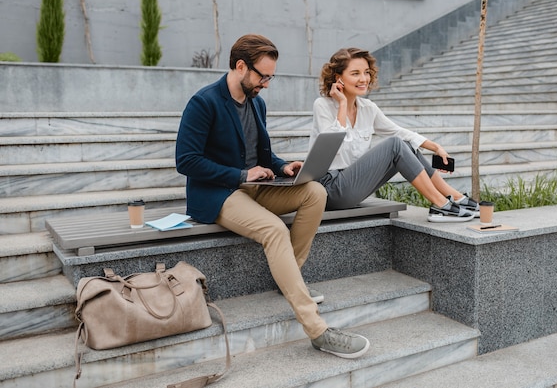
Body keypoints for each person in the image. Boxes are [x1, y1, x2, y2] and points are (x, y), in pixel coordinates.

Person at [176, 34, 370, 359]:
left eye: (270, 77)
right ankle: (318, 330)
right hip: (219, 193)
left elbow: (262, 156)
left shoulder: (257, 103)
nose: (266, 84)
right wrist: (240, 175)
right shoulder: (204, 102)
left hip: (255, 187)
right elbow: (187, 160)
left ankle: (289, 279)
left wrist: (282, 167)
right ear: (240, 66)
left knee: (314, 192)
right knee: (275, 229)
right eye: (262, 76)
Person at [310, 47, 478, 222]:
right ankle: (441, 205)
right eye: (355, 74)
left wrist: (436, 147)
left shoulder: (368, 108)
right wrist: (342, 104)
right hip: (330, 189)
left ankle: (455, 197)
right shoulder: (322, 105)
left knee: (404, 144)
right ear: (338, 78)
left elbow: (399, 132)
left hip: (355, 185)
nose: (363, 79)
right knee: (395, 145)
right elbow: (332, 148)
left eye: (366, 72)